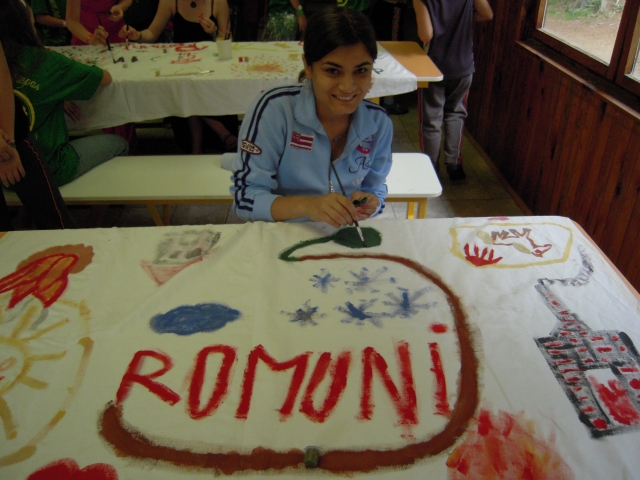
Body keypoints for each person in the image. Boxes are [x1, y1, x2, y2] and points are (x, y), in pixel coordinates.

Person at [230, 6, 392, 227]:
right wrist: (309, 206)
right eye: (333, 71)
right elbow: (245, 198)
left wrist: (372, 201)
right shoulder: (274, 110)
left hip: (339, 234)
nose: (348, 86)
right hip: (281, 232)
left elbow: (375, 188)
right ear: (308, 66)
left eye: (361, 71)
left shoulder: (379, 123)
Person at [2, 0, 129, 189]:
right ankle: (101, 203)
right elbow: (104, 77)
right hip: (49, 168)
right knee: (120, 143)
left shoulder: (12, 61)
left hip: (5, 172)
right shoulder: (44, 61)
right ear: (27, 24)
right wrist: (60, 87)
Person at [120, 0, 237, 154]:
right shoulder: (170, 2)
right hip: (181, 65)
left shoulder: (218, 2)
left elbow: (227, 40)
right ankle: (219, 133)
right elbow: (152, 33)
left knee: (188, 87)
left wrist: (214, 32)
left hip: (211, 66)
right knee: (185, 85)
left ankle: (201, 145)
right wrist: (138, 35)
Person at [0, 37, 77, 230]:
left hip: (11, 137)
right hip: (10, 138)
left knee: (55, 223)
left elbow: (2, 76)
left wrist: (8, 145)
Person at [413, 0, 492, 182]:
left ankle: (431, 168)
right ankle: (454, 164)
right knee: (455, 114)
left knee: (431, 121)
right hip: (462, 67)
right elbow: (487, 14)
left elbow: (426, 35)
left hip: (433, 68)